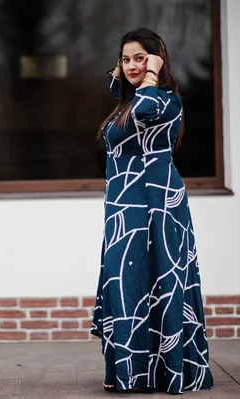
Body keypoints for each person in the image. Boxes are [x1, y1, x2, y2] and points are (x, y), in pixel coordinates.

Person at [90, 28, 214, 394]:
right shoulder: (124, 105)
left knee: (160, 284)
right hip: (123, 210)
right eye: (125, 59)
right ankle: (132, 372)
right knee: (125, 284)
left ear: (157, 60)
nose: (131, 66)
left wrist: (152, 70)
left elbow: (144, 107)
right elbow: (125, 97)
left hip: (158, 206)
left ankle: (170, 371)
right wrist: (126, 73)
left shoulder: (165, 100)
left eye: (139, 58)